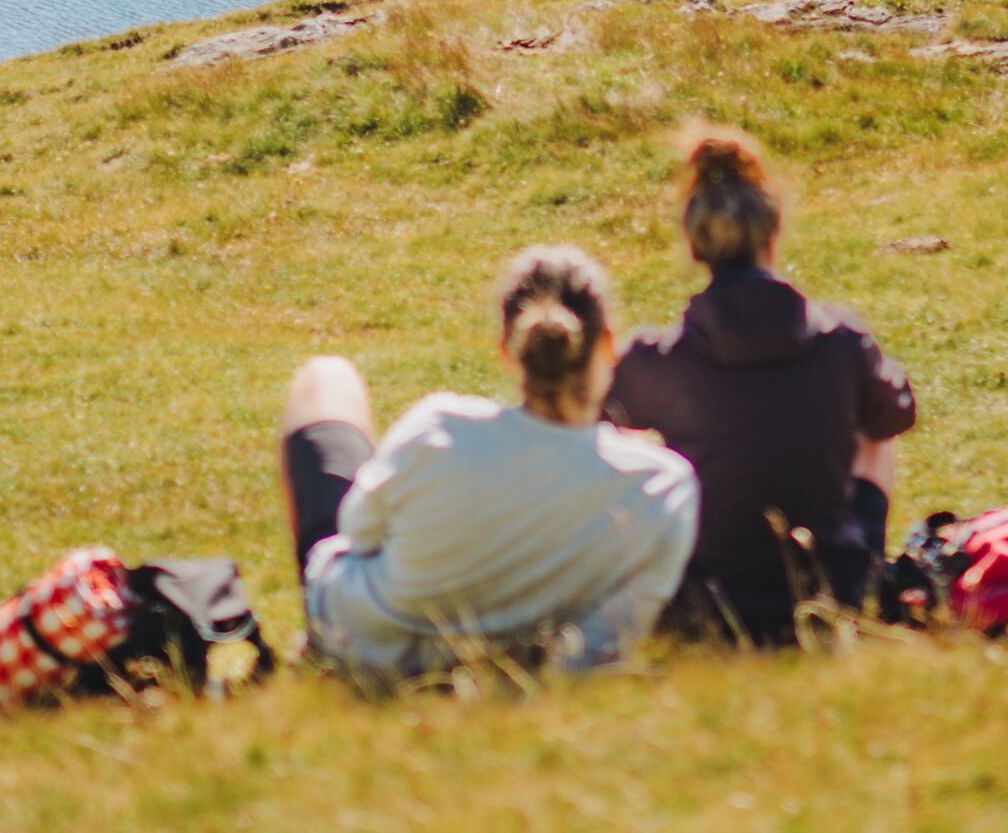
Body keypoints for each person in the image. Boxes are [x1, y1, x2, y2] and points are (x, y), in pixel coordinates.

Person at [278, 243, 698, 685]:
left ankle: (309, 653)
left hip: (363, 645)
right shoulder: (661, 486)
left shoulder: (438, 426)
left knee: (326, 377)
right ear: (609, 344)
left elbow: (358, 531)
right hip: (509, 668)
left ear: (507, 348)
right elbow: (604, 641)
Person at [603, 122, 916, 641]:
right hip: (834, 585)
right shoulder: (841, 340)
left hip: (705, 597)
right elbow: (896, 414)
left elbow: (581, 423)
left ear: (694, 243)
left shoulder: (655, 359)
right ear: (773, 234)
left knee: (613, 442)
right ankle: (860, 568)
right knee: (874, 429)